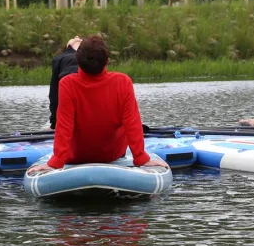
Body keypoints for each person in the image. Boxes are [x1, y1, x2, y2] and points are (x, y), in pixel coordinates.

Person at [28, 35, 168, 173]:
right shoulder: (123, 82)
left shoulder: (67, 83)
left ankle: (74, 45)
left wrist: (56, 161)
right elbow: (132, 123)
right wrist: (141, 158)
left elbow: (64, 125)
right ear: (107, 61)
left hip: (76, 156)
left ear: (77, 60)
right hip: (111, 155)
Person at [48, 36, 81, 128]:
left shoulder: (59, 59)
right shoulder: (60, 59)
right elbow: (54, 94)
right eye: (74, 38)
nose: (77, 37)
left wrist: (54, 123)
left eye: (79, 38)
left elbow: (54, 94)